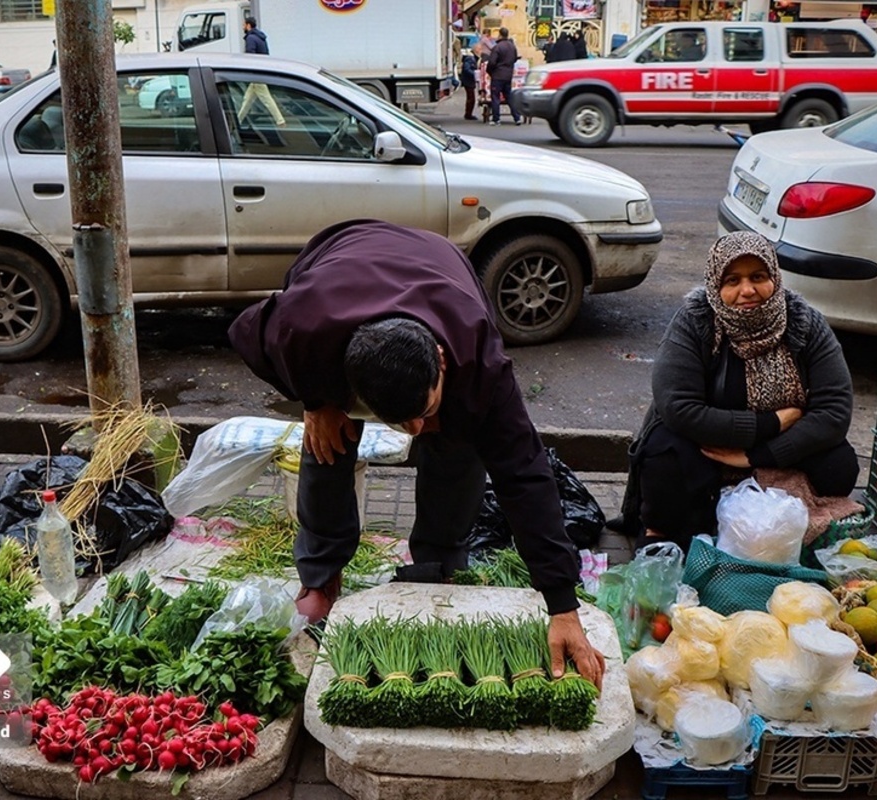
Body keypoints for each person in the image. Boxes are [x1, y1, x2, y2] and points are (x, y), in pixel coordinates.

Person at [228, 219, 606, 688]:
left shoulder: (479, 363)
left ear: (442, 364)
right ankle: (321, 575)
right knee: (327, 441)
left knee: (458, 441)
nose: (414, 431)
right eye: (398, 421)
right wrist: (316, 400)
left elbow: (524, 477)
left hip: (441, 268)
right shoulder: (304, 332)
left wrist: (561, 604)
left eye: (423, 411)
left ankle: (439, 564)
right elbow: (244, 332)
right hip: (339, 259)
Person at [614, 232, 859, 551]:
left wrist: (757, 456)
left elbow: (835, 412)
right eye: (732, 280)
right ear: (716, 286)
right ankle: (668, 531)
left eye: (758, 277)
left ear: (775, 277)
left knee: (839, 466)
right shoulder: (695, 321)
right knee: (665, 454)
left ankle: (770, 522)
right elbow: (679, 408)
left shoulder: (805, 323)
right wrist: (771, 423)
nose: (747, 290)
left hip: (776, 450)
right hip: (709, 446)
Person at [237, 17, 285, 127]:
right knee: (247, 99)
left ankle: (280, 120)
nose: (243, 27)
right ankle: (238, 120)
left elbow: (250, 56)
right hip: (261, 69)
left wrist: (247, 70)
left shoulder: (251, 38)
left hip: (256, 72)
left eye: (244, 25)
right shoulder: (260, 37)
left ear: (249, 25)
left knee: (265, 97)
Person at [485, 27, 520, 126]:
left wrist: (490, 71)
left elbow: (492, 62)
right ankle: (517, 117)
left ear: (500, 35)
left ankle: (496, 119)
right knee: (509, 97)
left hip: (497, 75)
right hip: (508, 75)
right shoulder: (512, 46)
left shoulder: (497, 47)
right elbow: (515, 58)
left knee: (495, 97)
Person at [459, 48, 478, 120]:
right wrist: (475, 74)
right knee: (471, 98)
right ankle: (468, 114)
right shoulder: (470, 58)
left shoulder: (470, 58)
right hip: (468, 80)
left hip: (468, 80)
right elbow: (466, 69)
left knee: (470, 97)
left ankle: (468, 113)